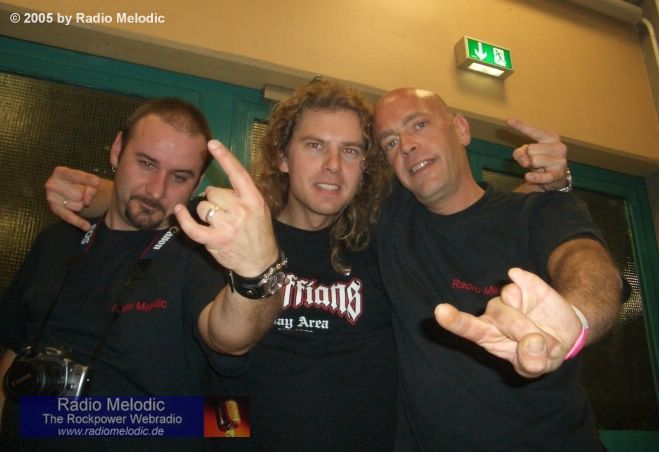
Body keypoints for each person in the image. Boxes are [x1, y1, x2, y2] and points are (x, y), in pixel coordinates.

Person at [40, 81, 572, 450]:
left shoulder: (387, 237)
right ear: (282, 155)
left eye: (352, 151)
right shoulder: (228, 233)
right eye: (315, 145)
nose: (333, 167)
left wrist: (555, 185)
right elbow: (218, 339)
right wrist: (103, 193)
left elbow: (466, 207)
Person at [0, 97, 284, 451]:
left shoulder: (198, 256)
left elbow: (230, 337)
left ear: (197, 182)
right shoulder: (56, 240)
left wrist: (254, 273)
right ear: (117, 150)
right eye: (146, 163)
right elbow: (14, 351)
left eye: (180, 177)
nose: (156, 190)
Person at [373, 88, 622, 451]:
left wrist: (575, 318)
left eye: (420, 125)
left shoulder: (537, 212)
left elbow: (586, 263)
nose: (407, 145)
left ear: (461, 129)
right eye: (391, 143)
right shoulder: (391, 222)